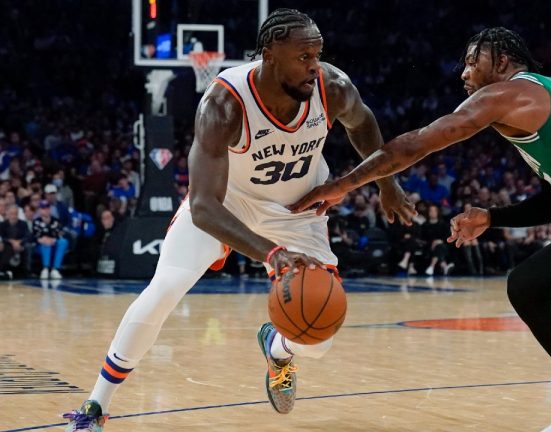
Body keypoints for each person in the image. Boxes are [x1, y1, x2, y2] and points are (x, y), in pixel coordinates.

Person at [291, 27, 551, 431]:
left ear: (500, 61)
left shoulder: (506, 96)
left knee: (527, 286)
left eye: (472, 61)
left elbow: (417, 143)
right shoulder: (549, 90)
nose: (464, 73)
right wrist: (492, 217)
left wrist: (341, 185)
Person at [62, 9, 414, 431]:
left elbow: (364, 125)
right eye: (303, 56)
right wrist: (272, 253)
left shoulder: (331, 87)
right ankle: (95, 408)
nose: (313, 66)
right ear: (270, 54)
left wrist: (387, 185)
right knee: (165, 288)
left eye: (317, 55)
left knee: (318, 340)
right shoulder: (224, 103)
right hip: (227, 203)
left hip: (297, 210)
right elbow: (204, 207)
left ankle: (278, 347)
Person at [33, 200, 69, 279]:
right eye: (43, 208)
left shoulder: (55, 221)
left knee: (63, 242)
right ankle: (45, 268)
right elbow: (35, 235)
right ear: (40, 210)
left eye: (47, 208)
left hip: (54, 243)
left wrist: (53, 239)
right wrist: (43, 239)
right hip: (40, 246)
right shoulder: (36, 221)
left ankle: (55, 269)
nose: (45, 210)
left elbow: (59, 233)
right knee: (46, 243)